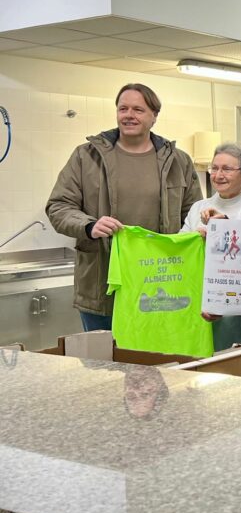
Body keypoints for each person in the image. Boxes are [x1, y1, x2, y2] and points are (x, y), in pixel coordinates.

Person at [46, 83, 202, 332]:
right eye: (123, 108)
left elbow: (193, 215)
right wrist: (89, 225)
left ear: (154, 116)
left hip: (160, 285)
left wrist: (201, 231)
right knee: (104, 364)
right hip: (103, 283)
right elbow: (59, 206)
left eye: (138, 109)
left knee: (158, 363)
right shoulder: (86, 156)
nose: (129, 115)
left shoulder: (178, 161)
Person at [181, 142, 241, 351]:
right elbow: (182, 248)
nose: (218, 175)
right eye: (214, 168)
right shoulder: (199, 207)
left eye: (227, 169)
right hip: (202, 299)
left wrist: (221, 233)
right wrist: (195, 240)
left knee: (240, 362)